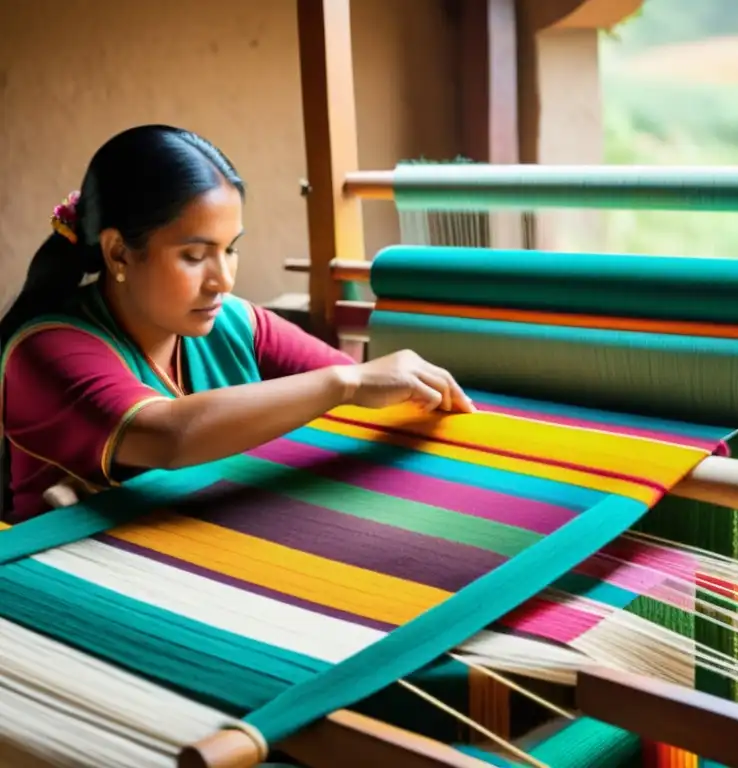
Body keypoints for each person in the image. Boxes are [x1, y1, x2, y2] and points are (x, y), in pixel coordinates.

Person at [0, 124, 474, 524]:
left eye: (230, 249)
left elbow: (361, 404)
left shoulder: (234, 323)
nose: (222, 280)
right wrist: (346, 380)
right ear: (119, 252)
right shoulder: (45, 350)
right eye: (194, 255)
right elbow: (166, 436)